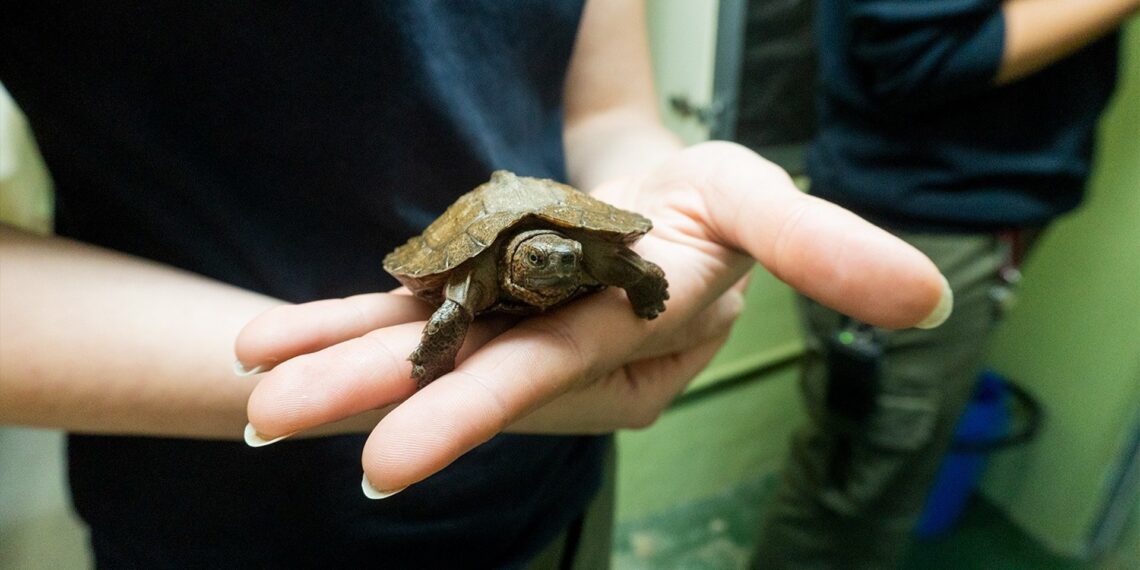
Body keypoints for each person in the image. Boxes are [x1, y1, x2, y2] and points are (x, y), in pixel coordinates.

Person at [0, 1, 949, 567]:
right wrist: (424, 364)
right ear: (511, 264)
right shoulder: (474, 281)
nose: (554, 266)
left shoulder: (582, 255)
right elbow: (451, 304)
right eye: (540, 261)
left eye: (560, 261)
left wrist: (650, 264)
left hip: (554, 487)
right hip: (225, 518)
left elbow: (610, 121)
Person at [754, 0, 1139, 568]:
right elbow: (915, 54)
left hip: (965, 210)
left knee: (873, 477)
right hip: (913, 226)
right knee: (852, 494)